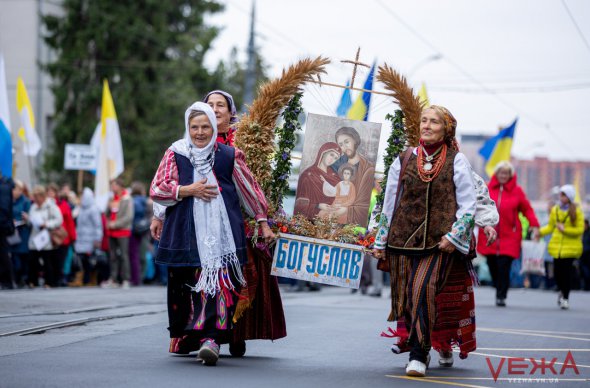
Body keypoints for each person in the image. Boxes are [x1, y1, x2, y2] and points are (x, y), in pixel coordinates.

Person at [150, 101, 274, 366]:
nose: (200, 132)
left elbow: (249, 191)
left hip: (222, 232)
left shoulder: (229, 155)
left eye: (205, 126)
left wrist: (262, 221)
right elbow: (158, 188)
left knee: (219, 285)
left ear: (213, 126)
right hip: (185, 230)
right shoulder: (176, 152)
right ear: (188, 127)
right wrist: (187, 191)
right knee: (188, 284)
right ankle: (190, 337)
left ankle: (212, 339)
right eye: (194, 127)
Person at [373, 105, 477, 377]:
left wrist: (454, 237)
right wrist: (380, 241)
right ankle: (424, 345)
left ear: (446, 129)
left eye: (434, 122)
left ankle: (419, 354)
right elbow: (389, 203)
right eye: (424, 121)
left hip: (438, 242)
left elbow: (468, 205)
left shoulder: (457, 160)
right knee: (407, 296)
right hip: (401, 241)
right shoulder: (405, 158)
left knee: (423, 289)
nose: (427, 126)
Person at [476, 161, 539, 307]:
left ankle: (501, 295)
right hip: (489, 235)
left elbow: (527, 209)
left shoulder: (517, 191)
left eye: (506, 173)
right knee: (492, 265)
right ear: (496, 174)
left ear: (510, 175)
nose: (503, 176)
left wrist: (534, 225)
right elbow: (478, 205)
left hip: (510, 236)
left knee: (504, 266)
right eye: (501, 173)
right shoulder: (487, 188)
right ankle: (499, 287)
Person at [538, 184, 584, 309]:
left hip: (570, 248)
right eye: (560, 195)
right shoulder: (555, 210)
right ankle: (562, 291)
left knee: (566, 274)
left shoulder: (577, 211)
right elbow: (550, 226)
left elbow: (580, 230)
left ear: (569, 197)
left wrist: (565, 230)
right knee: (558, 273)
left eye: (563, 195)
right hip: (557, 247)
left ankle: (565, 297)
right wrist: (539, 232)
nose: (561, 197)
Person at [330, 126, 376, 227]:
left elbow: (365, 201)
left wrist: (346, 208)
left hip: (354, 224)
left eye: (347, 142)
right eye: (341, 145)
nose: (345, 147)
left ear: (355, 140)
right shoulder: (335, 166)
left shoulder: (367, 168)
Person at [27, 185, 63, 287]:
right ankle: (33, 281)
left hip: (46, 237)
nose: (35, 199)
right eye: (34, 197)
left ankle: (49, 282)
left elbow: (59, 220)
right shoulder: (33, 206)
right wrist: (28, 220)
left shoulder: (50, 206)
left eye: (37, 197)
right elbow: (32, 220)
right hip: (34, 237)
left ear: (42, 196)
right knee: (32, 260)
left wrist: (46, 224)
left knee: (47, 261)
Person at [294, 142, 341, 220]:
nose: (332, 159)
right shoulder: (308, 175)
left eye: (336, 158)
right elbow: (300, 203)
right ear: (324, 153)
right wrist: (317, 205)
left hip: (330, 218)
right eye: (331, 155)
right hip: (309, 219)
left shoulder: (335, 177)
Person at [104, 178, 134, 289]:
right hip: (112, 232)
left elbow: (129, 216)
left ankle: (126, 279)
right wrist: (108, 221)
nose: (112, 188)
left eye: (113, 185)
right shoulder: (112, 198)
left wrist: (115, 224)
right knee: (113, 256)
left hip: (123, 231)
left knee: (124, 256)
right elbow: (106, 214)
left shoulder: (127, 198)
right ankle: (113, 279)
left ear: (120, 186)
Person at [74, 188, 103, 285]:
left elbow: (98, 225)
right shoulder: (81, 209)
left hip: (90, 239)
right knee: (81, 260)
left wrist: (97, 239)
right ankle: (83, 279)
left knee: (90, 260)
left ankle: (91, 279)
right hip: (81, 238)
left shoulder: (93, 209)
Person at [9, 179, 32, 287]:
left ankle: (23, 277)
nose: (14, 191)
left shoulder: (26, 201)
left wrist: (27, 218)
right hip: (12, 232)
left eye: (16, 189)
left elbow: (31, 217)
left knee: (23, 256)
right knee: (14, 256)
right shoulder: (9, 200)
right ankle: (16, 278)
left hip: (23, 232)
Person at [129, 181, 149, 286]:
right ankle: (141, 276)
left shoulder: (132, 201)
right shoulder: (146, 201)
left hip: (134, 229)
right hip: (144, 229)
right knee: (142, 254)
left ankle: (136, 278)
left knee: (134, 255)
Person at [0, 175, 15, 289]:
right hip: (3, 224)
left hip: (2, 225)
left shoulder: (3, 188)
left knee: (3, 253)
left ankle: (7, 281)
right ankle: (6, 281)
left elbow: (4, 208)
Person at [580, 220, 590, 291]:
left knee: (587, 270)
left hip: (588, 254)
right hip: (582, 253)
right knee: (583, 270)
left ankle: (588, 285)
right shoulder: (582, 233)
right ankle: (584, 285)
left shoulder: (589, 233)